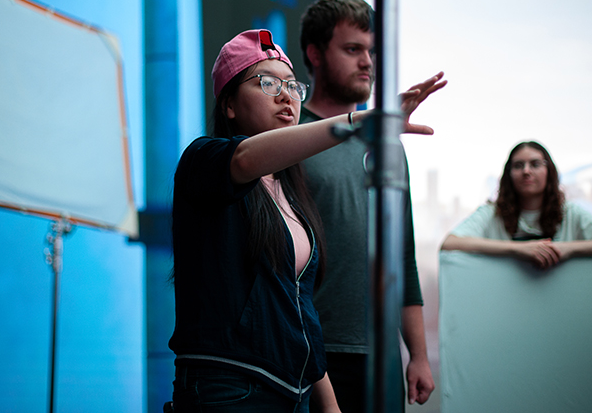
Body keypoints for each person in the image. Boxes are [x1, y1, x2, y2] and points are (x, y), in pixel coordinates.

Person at [168, 29, 441, 412]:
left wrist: (328, 406)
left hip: (292, 393)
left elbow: (301, 312)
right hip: (230, 389)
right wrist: (357, 123)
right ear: (228, 104)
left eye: (293, 87)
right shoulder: (203, 159)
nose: (285, 96)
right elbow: (246, 158)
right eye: (266, 83)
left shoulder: (289, 191)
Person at [298, 0, 444, 410]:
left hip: (381, 356)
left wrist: (416, 354)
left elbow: (404, 256)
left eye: (372, 52)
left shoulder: (389, 147)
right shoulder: (290, 137)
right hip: (313, 356)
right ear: (316, 53)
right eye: (352, 49)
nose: (367, 62)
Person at [441, 141, 592, 268]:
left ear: (549, 172)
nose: (526, 171)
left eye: (535, 164)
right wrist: (518, 249)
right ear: (508, 175)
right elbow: (450, 243)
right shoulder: (492, 213)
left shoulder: (570, 212)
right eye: (518, 166)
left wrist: (568, 249)